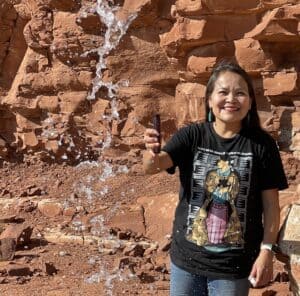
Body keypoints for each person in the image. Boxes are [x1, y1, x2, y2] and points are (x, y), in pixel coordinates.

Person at [143, 61, 288, 296]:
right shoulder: (192, 136)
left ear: (250, 102)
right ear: (210, 100)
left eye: (240, 93)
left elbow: (271, 205)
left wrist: (267, 250)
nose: (231, 99)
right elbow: (154, 165)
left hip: (233, 268)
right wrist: (150, 153)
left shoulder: (262, 145)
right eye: (223, 92)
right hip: (186, 262)